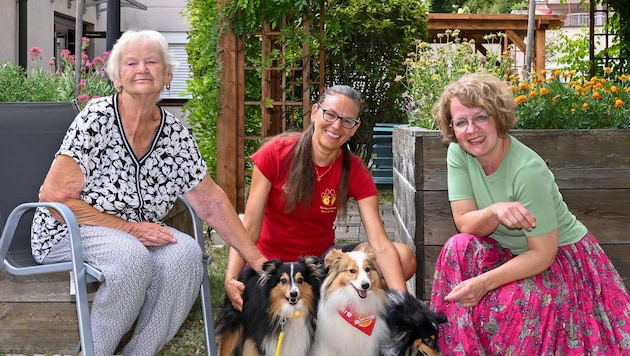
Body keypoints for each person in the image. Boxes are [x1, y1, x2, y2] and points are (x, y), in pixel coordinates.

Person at [31, 29, 266, 355]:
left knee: (186, 256)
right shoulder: (96, 120)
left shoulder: (176, 135)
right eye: (131, 63)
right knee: (130, 258)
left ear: (168, 75)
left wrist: (257, 260)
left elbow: (210, 201)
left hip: (137, 236)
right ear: (117, 77)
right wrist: (129, 229)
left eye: (152, 61)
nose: (142, 69)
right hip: (69, 228)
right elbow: (54, 201)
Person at [429, 72, 630, 354]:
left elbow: (542, 254)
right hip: (505, 251)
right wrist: (496, 211)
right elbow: (465, 222)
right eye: (461, 122)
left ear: (498, 117)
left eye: (481, 117)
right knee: (456, 249)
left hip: (560, 257)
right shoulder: (459, 154)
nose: (471, 129)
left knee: (517, 300)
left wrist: (484, 283)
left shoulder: (527, 171)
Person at [224, 85, 417, 310]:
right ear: (315, 112)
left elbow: (380, 244)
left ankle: (366, 309)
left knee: (404, 257)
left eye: (347, 121)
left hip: (317, 266)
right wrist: (231, 276)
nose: (336, 126)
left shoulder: (354, 170)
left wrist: (405, 305)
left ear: (355, 129)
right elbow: (249, 226)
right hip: (271, 266)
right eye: (331, 114)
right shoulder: (276, 153)